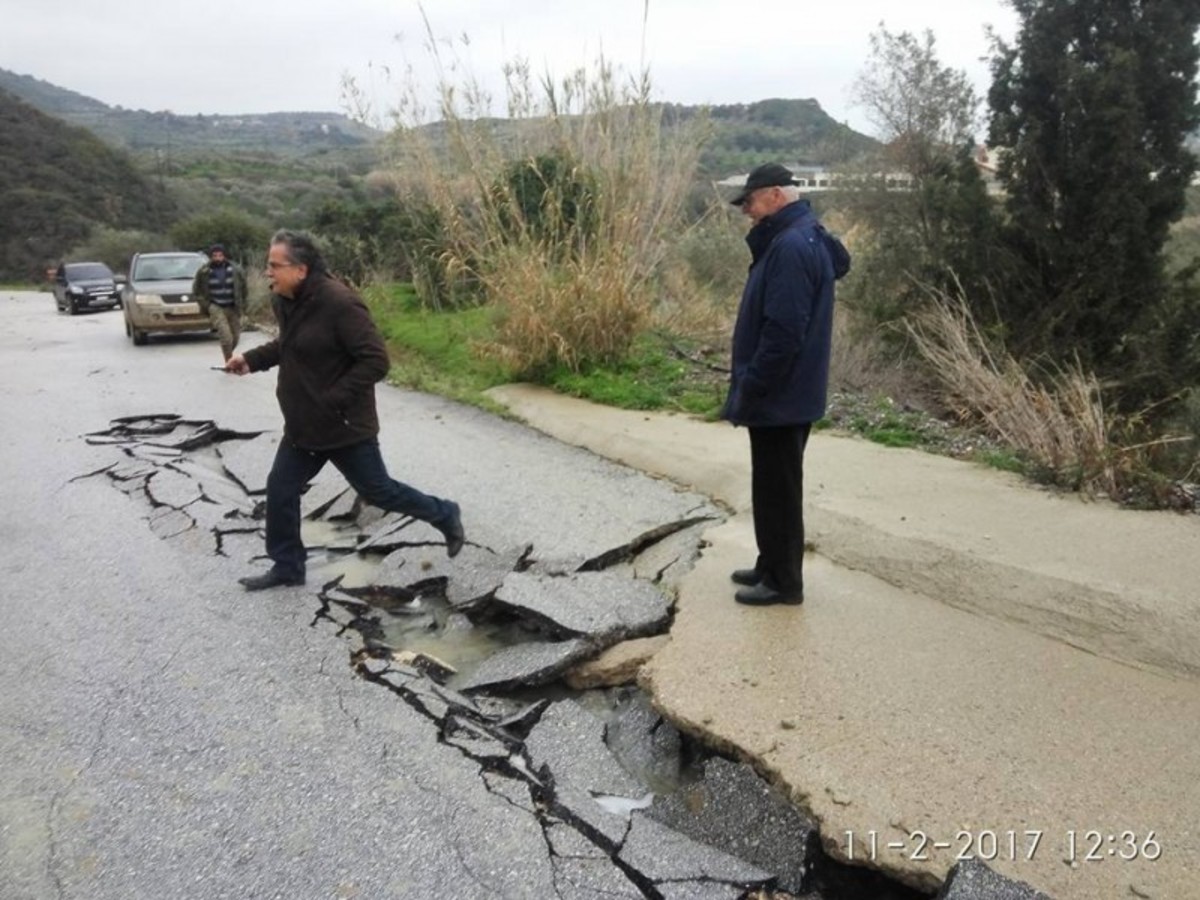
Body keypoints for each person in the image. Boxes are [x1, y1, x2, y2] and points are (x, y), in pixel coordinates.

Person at [224, 230, 465, 591]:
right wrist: (251, 359)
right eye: (268, 265)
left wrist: (332, 398)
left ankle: (445, 513)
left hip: (343, 427)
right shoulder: (285, 300)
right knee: (281, 489)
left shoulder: (340, 304)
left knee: (379, 492)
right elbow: (288, 346)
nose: (267, 273)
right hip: (304, 427)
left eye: (274, 265)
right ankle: (288, 566)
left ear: (301, 269)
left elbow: (376, 361)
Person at [722, 163, 840, 607]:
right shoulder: (800, 236)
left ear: (774, 195)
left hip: (782, 394)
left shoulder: (790, 246)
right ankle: (770, 562)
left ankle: (784, 582)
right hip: (789, 392)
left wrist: (753, 384)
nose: (747, 212)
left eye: (750, 202)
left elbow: (784, 331)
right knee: (771, 483)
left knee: (780, 489)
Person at [193, 243, 248, 362]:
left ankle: (229, 355)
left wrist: (243, 306)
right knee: (226, 337)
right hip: (216, 306)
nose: (217, 258)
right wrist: (206, 305)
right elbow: (196, 291)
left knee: (235, 337)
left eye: (220, 255)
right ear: (211, 257)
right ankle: (229, 362)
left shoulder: (235, 269)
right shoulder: (204, 272)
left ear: (224, 256)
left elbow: (244, 288)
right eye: (214, 255)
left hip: (233, 306)